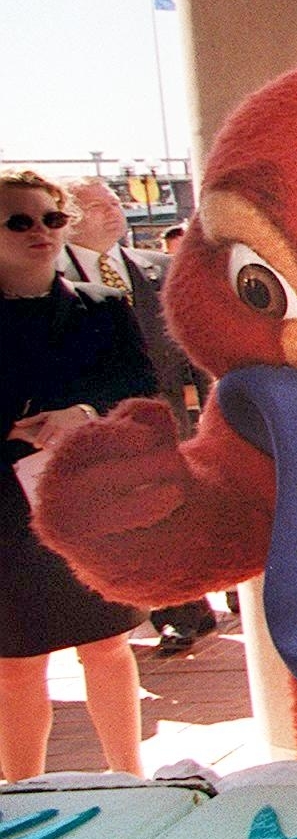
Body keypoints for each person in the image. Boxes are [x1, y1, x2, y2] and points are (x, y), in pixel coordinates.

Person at [0, 170, 153, 779]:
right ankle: (23, 795)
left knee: (109, 646)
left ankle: (131, 777)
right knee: (15, 665)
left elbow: (143, 397)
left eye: (51, 218)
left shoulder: (105, 308)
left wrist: (85, 414)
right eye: (19, 220)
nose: (40, 231)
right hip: (6, 512)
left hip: (86, 500)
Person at [56, 177, 215, 652]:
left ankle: (183, 608)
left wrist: (210, 409)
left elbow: (195, 344)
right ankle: (155, 608)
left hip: (165, 416)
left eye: (113, 201)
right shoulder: (53, 282)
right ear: (70, 218)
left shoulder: (161, 268)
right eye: (97, 204)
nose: (113, 210)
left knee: (172, 510)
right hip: (93, 425)